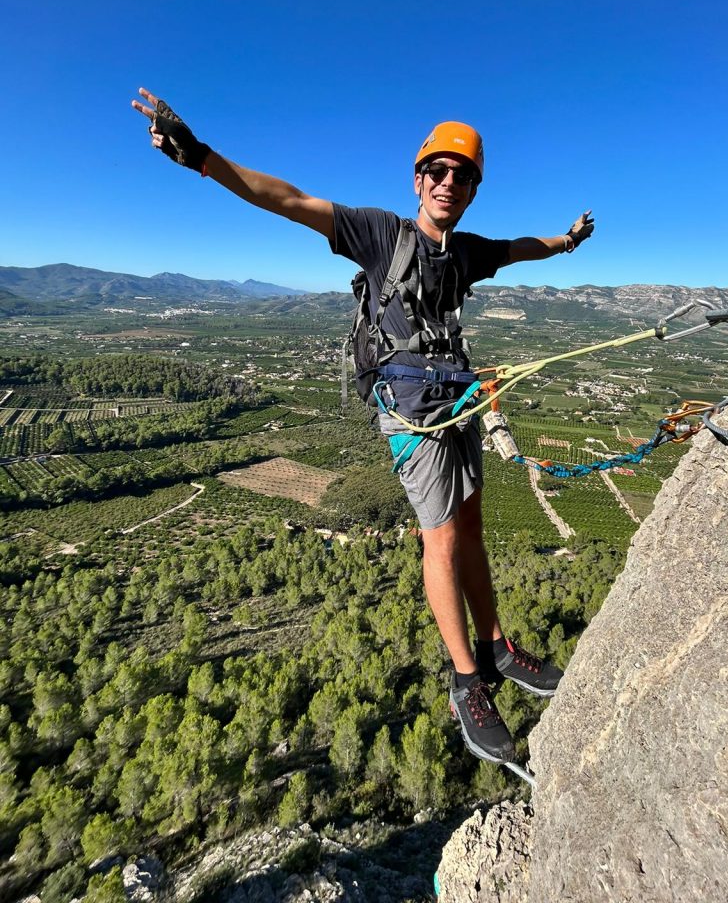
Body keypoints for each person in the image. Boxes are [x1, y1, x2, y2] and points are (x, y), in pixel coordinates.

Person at [131, 90, 594, 764]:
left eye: (461, 175)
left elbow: (519, 249)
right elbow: (287, 200)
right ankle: (468, 680)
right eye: (437, 171)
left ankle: (498, 648)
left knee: (470, 528)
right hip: (413, 412)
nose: (447, 182)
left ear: (472, 190)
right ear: (418, 179)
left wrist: (567, 243)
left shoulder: (464, 253)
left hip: (458, 398)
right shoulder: (381, 235)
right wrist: (201, 157)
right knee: (439, 544)